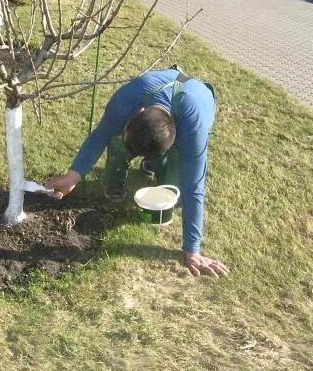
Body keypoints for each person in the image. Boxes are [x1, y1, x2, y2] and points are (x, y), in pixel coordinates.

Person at [45, 67, 229, 277]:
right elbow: (101, 134)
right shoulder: (129, 97)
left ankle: (158, 163)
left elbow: (194, 188)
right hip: (156, 93)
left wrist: (193, 250)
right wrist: (74, 175)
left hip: (199, 100)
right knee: (116, 141)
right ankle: (125, 177)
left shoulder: (194, 131)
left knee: (176, 194)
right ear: (138, 112)